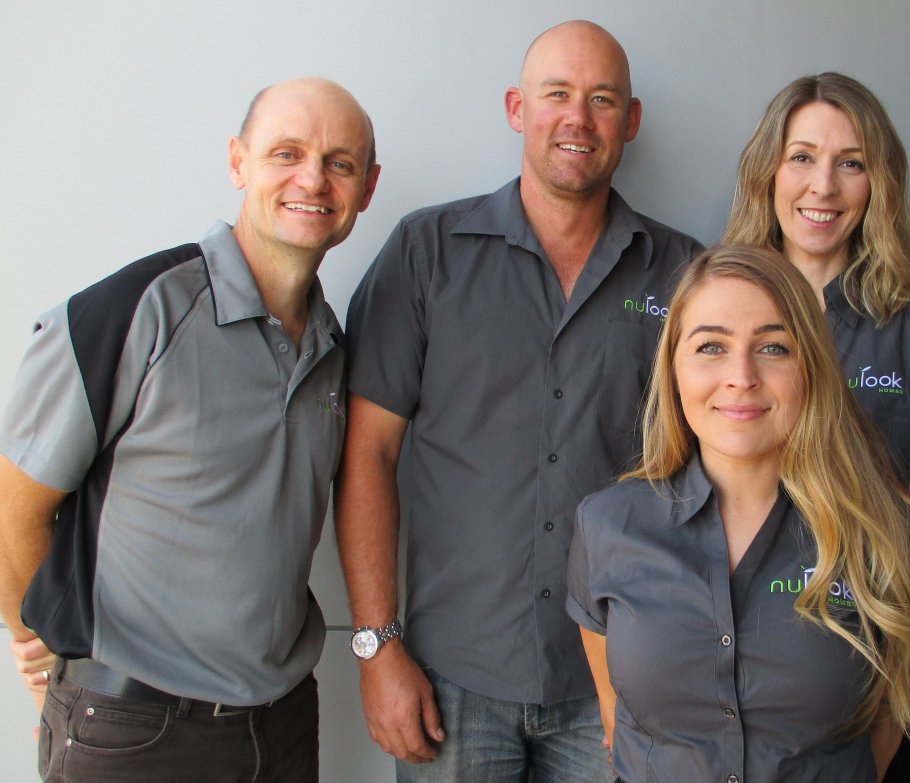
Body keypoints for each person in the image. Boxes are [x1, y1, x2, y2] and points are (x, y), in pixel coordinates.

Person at [336, 20, 701, 782]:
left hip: (618, 677)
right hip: (452, 674)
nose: (578, 119)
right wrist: (375, 646)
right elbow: (367, 452)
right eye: (556, 94)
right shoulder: (426, 252)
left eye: (602, 100)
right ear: (516, 108)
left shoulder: (684, 274)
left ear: (630, 120)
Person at [0, 77, 381, 782]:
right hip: (133, 733)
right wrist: (41, 646)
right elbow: (12, 504)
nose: (312, 180)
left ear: (367, 188)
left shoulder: (333, 346)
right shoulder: (134, 310)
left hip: (282, 726)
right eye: (286, 153)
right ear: (238, 162)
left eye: (339, 163)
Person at [567, 245, 910, 782]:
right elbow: (617, 714)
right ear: (673, 368)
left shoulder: (889, 534)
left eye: (773, 347)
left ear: (810, 366)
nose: (741, 376)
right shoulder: (607, 525)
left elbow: (889, 723)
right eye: (711, 347)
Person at [723, 72, 910, 779]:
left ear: (879, 184)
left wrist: (881, 725)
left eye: (852, 163)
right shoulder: (714, 311)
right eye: (802, 157)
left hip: (877, 675)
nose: (824, 186)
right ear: (767, 173)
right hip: (733, 677)